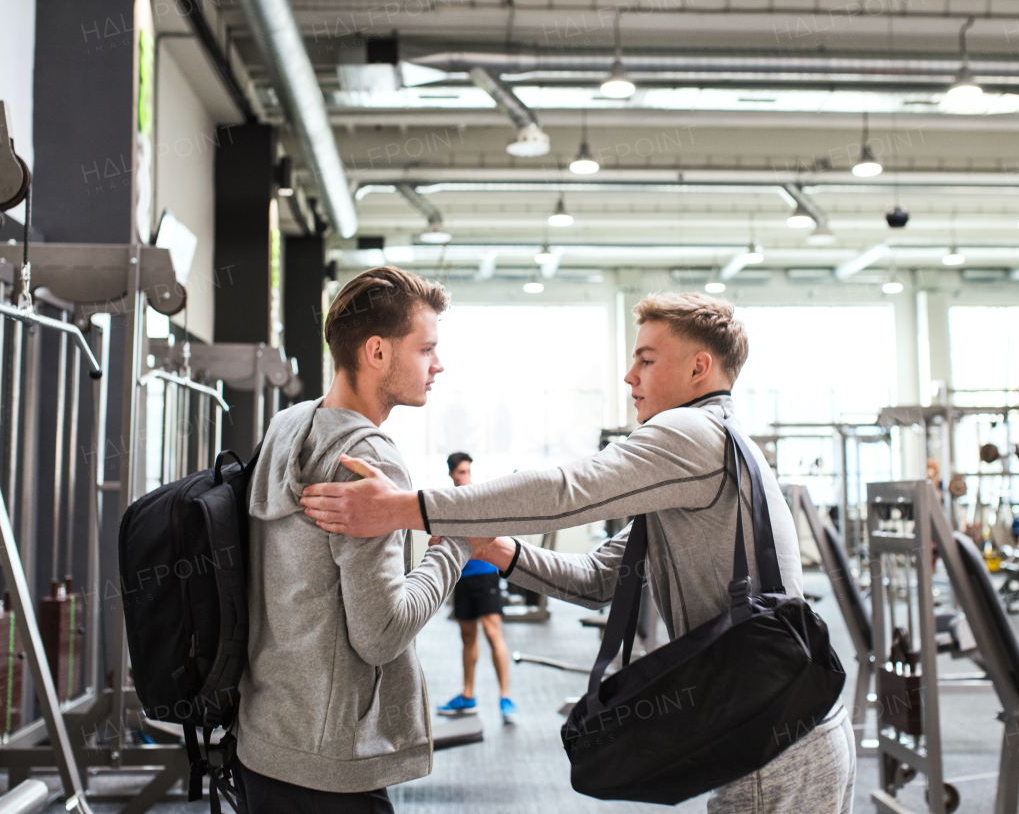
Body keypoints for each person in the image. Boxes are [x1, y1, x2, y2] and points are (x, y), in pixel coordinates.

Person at [301, 292, 857, 814]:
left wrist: (404, 508)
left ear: (699, 369)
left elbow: (567, 491)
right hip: (794, 726)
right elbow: (597, 578)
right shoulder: (714, 444)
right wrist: (497, 550)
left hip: (777, 746)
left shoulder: (690, 431)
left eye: (646, 360)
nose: (629, 375)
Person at [234, 267, 474, 814]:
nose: (437, 365)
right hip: (328, 769)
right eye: (426, 349)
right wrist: (453, 546)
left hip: (264, 743)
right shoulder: (370, 460)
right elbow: (382, 633)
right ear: (377, 352)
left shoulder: (288, 426)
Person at [436, 452, 517, 724]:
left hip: (484, 576)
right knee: (467, 637)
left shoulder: (479, 499)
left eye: (468, 472)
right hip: (462, 578)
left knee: (494, 634)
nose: (465, 477)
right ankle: (468, 695)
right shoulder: (447, 504)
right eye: (460, 472)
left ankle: (505, 697)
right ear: (451, 474)